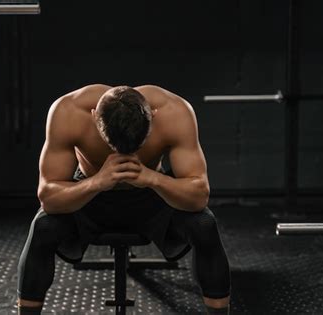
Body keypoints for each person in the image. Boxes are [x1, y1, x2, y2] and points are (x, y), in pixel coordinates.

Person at [17, 84, 231, 314]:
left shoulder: (174, 111)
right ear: (93, 117)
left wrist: (151, 178)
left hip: (152, 197)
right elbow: (48, 197)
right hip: (90, 198)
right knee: (43, 227)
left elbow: (199, 195)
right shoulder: (68, 111)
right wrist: (97, 182)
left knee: (204, 225)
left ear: (154, 116)